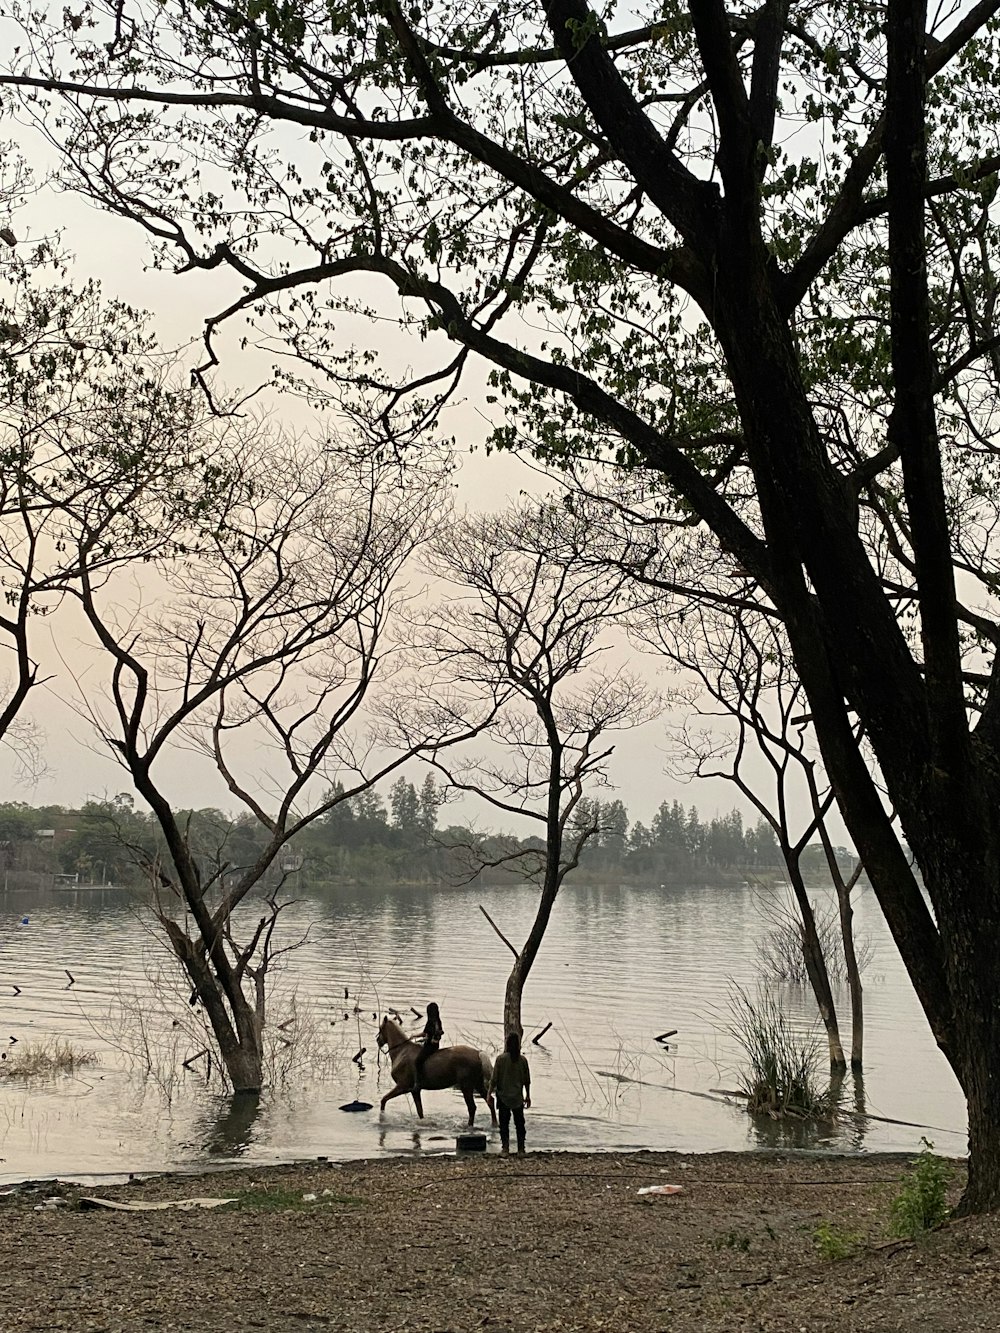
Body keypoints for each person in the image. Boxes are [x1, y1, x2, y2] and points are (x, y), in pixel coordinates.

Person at [490, 1029, 531, 1155]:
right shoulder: (522, 1060)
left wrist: (488, 1095)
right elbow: (527, 1080)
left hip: (503, 1097)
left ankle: (505, 1148)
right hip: (517, 1098)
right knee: (519, 1124)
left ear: (507, 1044)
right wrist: (527, 1096)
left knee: (504, 1125)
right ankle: (521, 1149)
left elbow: (494, 1080)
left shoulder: (500, 1059)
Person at [412, 1001, 443, 1093]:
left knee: (418, 1061)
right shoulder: (438, 1021)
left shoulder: (431, 1022)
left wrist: (414, 1036)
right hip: (433, 1045)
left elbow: (425, 1033)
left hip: (430, 1046)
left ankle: (419, 1082)